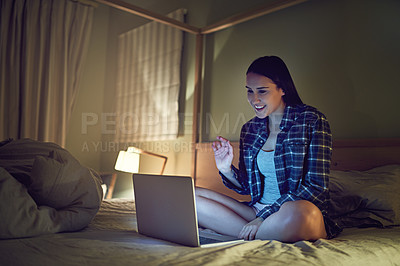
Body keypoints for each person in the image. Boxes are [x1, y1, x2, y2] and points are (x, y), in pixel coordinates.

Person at [195, 56, 341, 242]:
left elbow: (316, 186)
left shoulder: (312, 120)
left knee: (301, 212)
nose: (254, 99)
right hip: (256, 211)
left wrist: (263, 218)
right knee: (193, 195)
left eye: (262, 91)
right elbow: (248, 187)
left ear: (282, 89)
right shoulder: (250, 129)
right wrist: (226, 168)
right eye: (249, 91)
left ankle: (248, 232)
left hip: (291, 212)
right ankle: (259, 234)